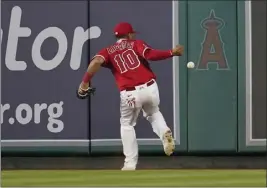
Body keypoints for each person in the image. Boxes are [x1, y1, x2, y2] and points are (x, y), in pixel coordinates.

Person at [78, 22, 184, 170]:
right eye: (132, 33)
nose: (134, 35)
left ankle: (130, 164)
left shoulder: (108, 50)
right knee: (153, 112)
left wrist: (84, 83)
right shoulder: (136, 43)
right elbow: (150, 55)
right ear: (129, 35)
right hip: (150, 87)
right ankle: (164, 132)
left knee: (127, 125)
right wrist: (171, 52)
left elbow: (96, 62)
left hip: (129, 93)